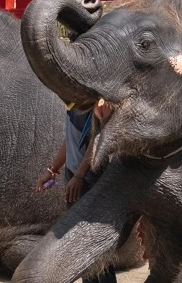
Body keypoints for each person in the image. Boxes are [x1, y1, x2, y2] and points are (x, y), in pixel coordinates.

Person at [36, 102, 117, 283]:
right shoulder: (74, 104)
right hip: (74, 177)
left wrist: (80, 176)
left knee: (94, 241)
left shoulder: (99, 104)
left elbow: (97, 139)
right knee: (81, 242)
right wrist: (52, 170)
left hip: (91, 178)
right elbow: (70, 138)